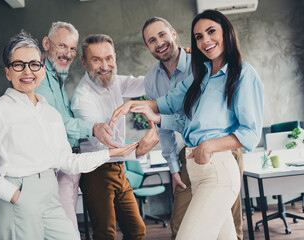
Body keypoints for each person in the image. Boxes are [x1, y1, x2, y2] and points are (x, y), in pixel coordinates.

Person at [0, 30, 138, 240]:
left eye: (34, 64)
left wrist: (110, 154)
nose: (27, 71)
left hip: (51, 193)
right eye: (18, 65)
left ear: (41, 70)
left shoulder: (50, 112)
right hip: (19, 196)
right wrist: (17, 196)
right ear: (8, 72)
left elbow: (66, 161)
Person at [110, 10, 264, 239]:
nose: (206, 40)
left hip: (217, 166)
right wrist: (144, 109)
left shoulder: (241, 73)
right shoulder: (200, 75)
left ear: (227, 32)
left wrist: (209, 146)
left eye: (211, 32)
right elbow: (173, 106)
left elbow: (250, 133)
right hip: (196, 166)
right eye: (199, 37)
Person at [142, 17, 244, 239]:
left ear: (173, 34)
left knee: (229, 220)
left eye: (162, 35)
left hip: (222, 147)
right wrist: (173, 167)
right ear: (148, 47)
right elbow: (165, 125)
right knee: (179, 222)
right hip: (187, 152)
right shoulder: (151, 80)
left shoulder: (200, 63)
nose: (159, 42)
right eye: (151, 40)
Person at [71, 34, 159, 240]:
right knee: (106, 234)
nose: (105, 65)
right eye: (96, 59)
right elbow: (104, 148)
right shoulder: (82, 99)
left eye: (109, 58)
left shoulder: (115, 82)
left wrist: (179, 58)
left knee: (137, 230)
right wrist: (137, 151)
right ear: (84, 62)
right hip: (97, 172)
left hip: (119, 169)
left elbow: (149, 83)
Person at [36, 22, 120, 229]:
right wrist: (93, 127)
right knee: (66, 229)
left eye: (72, 48)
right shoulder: (39, 78)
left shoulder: (58, 78)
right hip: (57, 166)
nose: (67, 53)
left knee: (68, 227)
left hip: (70, 165)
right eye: (62, 46)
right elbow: (56, 123)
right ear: (46, 44)